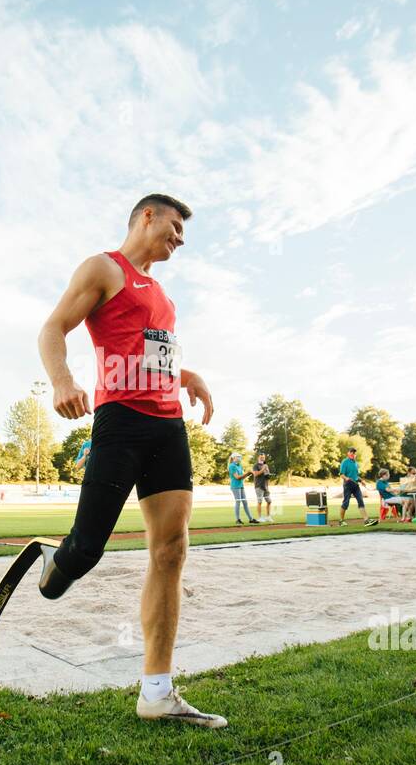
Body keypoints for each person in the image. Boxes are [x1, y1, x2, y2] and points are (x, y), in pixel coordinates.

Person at [36, 193, 226, 729]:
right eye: (174, 226)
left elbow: (154, 356)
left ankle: (157, 692)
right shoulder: (103, 268)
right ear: (147, 216)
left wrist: (189, 377)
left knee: (171, 551)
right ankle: (61, 563)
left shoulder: (161, 294)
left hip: (168, 427)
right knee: (88, 548)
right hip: (120, 423)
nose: (180, 239)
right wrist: (63, 381)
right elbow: (52, 329)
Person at [338, 447, 376, 527]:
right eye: (351, 452)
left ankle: (366, 520)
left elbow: (356, 476)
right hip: (347, 485)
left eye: (354, 453)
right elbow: (341, 474)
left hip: (355, 485)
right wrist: (346, 478)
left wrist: (361, 480)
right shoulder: (344, 462)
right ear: (348, 453)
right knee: (346, 503)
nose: (352, 454)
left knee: (360, 501)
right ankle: (341, 521)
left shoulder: (355, 463)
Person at [227, 452, 255, 525]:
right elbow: (237, 477)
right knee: (238, 501)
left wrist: (248, 474)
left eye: (240, 457)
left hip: (241, 485)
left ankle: (251, 519)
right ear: (233, 458)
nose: (239, 458)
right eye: (238, 457)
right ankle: (238, 519)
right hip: (235, 486)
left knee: (245, 502)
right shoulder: (232, 466)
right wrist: (248, 473)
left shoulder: (239, 466)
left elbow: (242, 476)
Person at [251, 452, 274, 523]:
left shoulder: (266, 465)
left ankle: (268, 517)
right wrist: (263, 469)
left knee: (269, 501)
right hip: (259, 486)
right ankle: (260, 517)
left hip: (265, 486)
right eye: (261, 457)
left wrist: (269, 475)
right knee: (260, 502)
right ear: (258, 457)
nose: (262, 458)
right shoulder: (255, 465)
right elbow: (256, 474)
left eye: (263, 457)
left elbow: (267, 475)